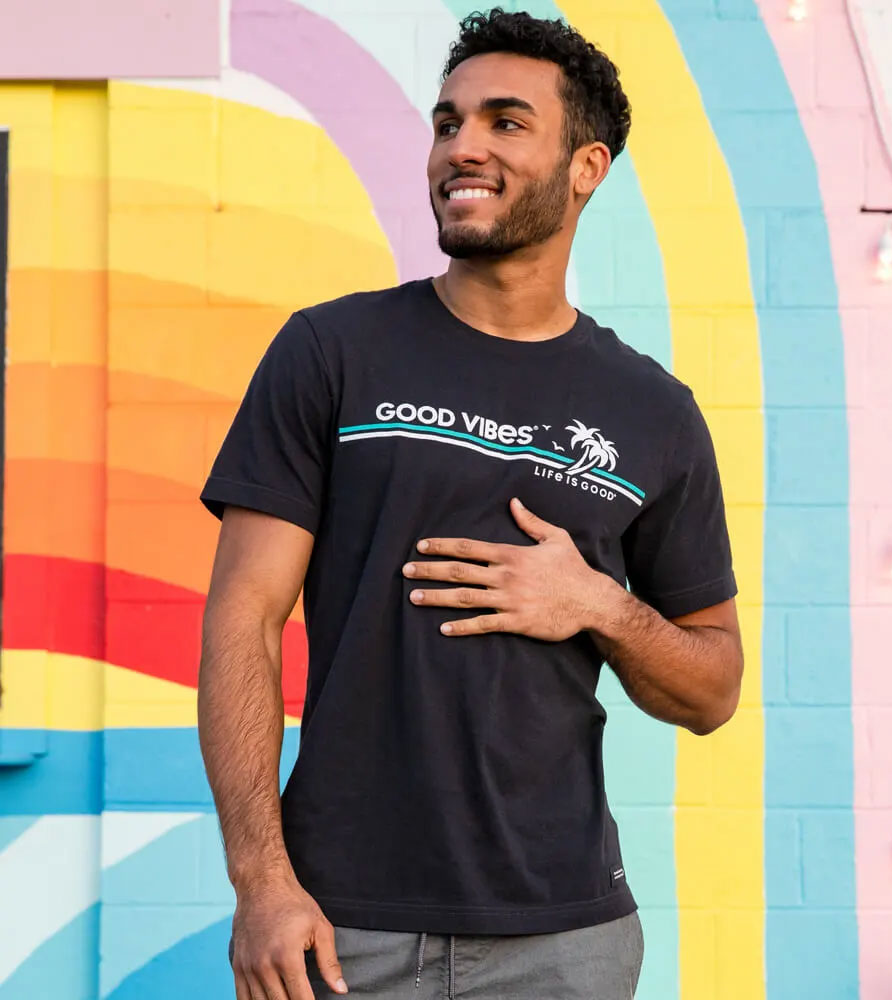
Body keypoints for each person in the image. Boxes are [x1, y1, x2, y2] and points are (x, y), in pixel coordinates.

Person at [198, 8, 743, 1000]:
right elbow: (244, 617)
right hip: (335, 924)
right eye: (448, 122)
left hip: (563, 937)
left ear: (586, 168)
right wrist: (260, 882)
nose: (463, 148)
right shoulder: (332, 354)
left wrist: (598, 605)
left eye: (504, 122)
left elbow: (711, 689)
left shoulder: (653, 413)